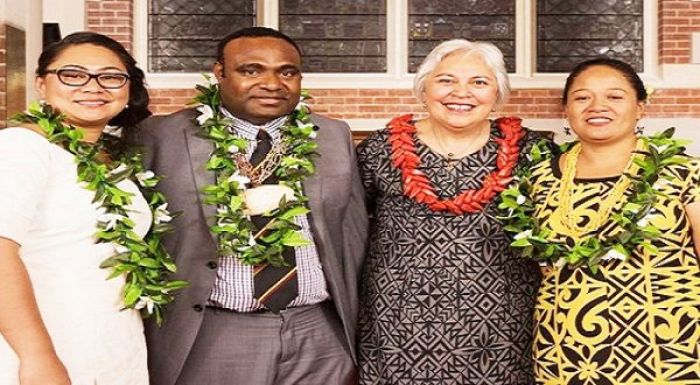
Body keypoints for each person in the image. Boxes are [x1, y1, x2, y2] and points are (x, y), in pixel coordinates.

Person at [128, 26, 368, 385]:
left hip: (318, 331)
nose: (272, 83)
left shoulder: (333, 135)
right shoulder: (161, 136)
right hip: (214, 330)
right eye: (251, 70)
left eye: (287, 72)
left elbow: (352, 233)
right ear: (219, 74)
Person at [356, 39, 545, 384]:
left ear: (498, 93)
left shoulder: (532, 152)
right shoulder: (379, 150)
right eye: (446, 80)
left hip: (501, 327)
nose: (461, 93)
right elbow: (350, 229)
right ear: (424, 88)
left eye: (479, 82)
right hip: (397, 324)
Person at [516, 58, 700, 384]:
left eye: (614, 96)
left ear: (640, 107)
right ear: (566, 110)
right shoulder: (538, 178)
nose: (597, 106)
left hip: (670, 352)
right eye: (582, 97)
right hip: (565, 353)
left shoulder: (683, 172)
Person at [0, 32, 154, 384]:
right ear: (41, 83)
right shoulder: (21, 148)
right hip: (42, 350)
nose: (93, 87)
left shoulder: (113, 162)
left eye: (111, 77)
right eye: (73, 74)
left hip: (112, 347)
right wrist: (37, 357)